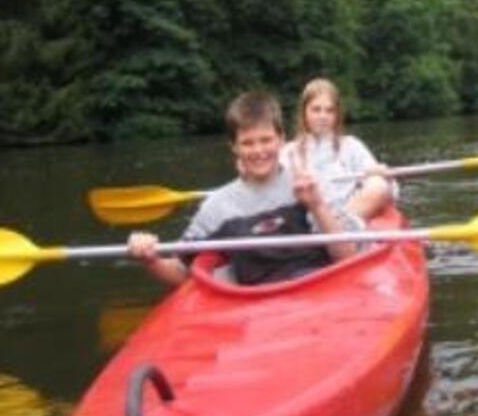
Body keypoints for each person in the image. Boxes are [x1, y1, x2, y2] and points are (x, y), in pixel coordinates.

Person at [127, 90, 361, 286]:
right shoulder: (217, 207)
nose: (258, 151)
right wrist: (150, 258)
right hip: (255, 307)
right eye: (247, 143)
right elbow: (180, 271)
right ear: (234, 147)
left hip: (318, 289)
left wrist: (317, 206)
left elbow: (347, 256)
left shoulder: (311, 185)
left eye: (266, 140)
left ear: (281, 139)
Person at [282, 77, 395, 223]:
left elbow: (391, 191)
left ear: (337, 115)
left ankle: (339, 227)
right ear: (304, 112)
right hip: (306, 220)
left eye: (329, 111)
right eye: (316, 110)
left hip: (347, 217)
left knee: (378, 184)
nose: (323, 116)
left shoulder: (352, 146)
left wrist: (380, 175)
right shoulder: (289, 152)